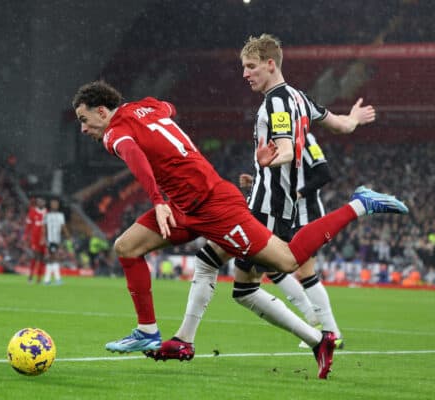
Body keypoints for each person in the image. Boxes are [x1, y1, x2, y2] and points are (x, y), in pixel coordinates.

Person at [72, 80, 407, 379]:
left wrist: (156, 198)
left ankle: (361, 204)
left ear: (103, 111)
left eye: (85, 120)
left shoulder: (115, 131)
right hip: (187, 205)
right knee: (127, 247)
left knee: (287, 262)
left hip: (216, 207)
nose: (84, 129)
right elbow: (168, 109)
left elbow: (134, 155)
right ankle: (156, 333)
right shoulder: (146, 105)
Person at [149, 34, 380, 364]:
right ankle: (319, 339)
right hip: (271, 205)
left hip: (264, 209)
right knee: (244, 288)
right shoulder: (301, 98)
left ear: (271, 65)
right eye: (244, 67)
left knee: (212, 262)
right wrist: (354, 119)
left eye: (251, 66)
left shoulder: (276, 102)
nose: (245, 74)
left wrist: (271, 160)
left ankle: (185, 341)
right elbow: (341, 126)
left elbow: (285, 149)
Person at [238, 131, 343, 349]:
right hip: (287, 215)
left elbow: (324, 174)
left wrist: (299, 194)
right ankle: (312, 318)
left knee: (304, 272)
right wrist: (256, 182)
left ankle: (331, 331)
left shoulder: (306, 139)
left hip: (307, 215)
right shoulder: (277, 139)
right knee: (271, 267)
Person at [42, 198, 70, 285]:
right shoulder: (47, 215)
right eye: (53, 204)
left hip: (57, 239)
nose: (55, 205)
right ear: (50, 205)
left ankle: (47, 280)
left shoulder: (60, 215)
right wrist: (43, 238)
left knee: (52, 259)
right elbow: (44, 227)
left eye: (56, 204)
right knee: (54, 258)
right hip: (50, 240)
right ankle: (56, 279)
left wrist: (67, 235)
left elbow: (63, 226)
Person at [24, 197, 47, 283]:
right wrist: (25, 236)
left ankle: (39, 278)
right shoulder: (32, 211)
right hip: (35, 239)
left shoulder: (46, 212)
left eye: (42, 202)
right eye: (39, 202)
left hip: (44, 239)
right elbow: (28, 225)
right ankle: (30, 276)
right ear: (37, 203)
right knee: (35, 256)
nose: (41, 203)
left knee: (42, 258)